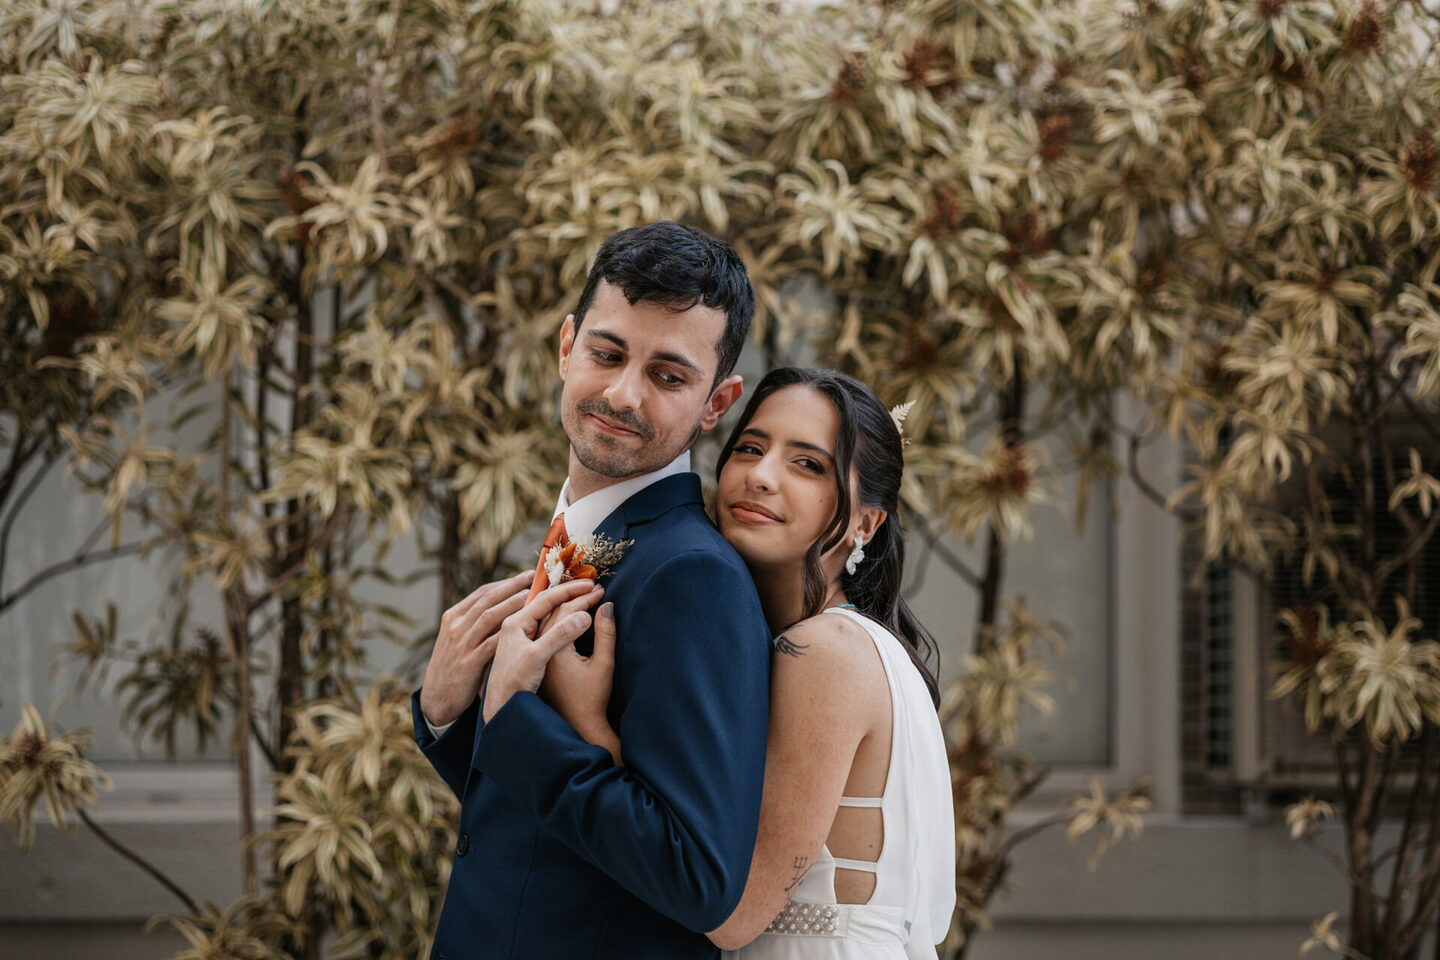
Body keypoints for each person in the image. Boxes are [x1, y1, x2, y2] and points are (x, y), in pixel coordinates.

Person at [413, 221, 773, 960]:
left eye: (668, 376)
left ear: (717, 402)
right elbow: (541, 824)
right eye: (606, 353)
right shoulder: (586, 534)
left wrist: (512, 713)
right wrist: (448, 716)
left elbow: (696, 877)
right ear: (565, 345)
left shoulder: (692, 577)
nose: (621, 393)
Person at [531, 367, 957, 959]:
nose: (760, 476)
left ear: (866, 521)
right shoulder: (828, 645)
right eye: (750, 448)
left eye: (807, 465)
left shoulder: (826, 654)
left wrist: (590, 730)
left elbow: (731, 916)